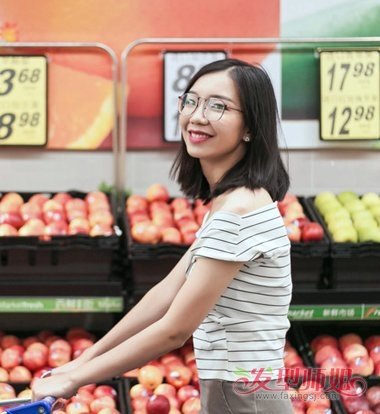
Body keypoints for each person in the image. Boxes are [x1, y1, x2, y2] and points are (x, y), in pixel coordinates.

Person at [32, 58, 293, 414]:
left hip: (241, 395)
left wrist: (76, 379)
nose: (197, 116)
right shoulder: (232, 202)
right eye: (191, 100)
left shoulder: (238, 212)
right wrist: (81, 362)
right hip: (242, 390)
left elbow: (175, 329)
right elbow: (166, 292)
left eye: (218, 106)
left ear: (250, 126)